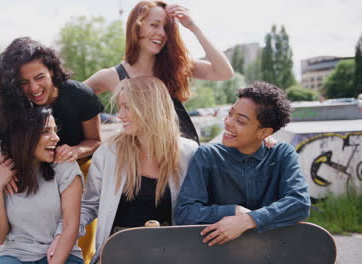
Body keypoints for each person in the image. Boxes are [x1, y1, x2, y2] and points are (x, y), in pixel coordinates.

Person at [54, 76, 198, 264]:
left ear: (150, 107)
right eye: (120, 107)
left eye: (127, 107)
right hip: (116, 253)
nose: (119, 115)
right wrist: (61, 236)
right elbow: (88, 206)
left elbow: (198, 210)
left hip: (168, 254)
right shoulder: (108, 153)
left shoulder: (189, 153)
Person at [0, 37, 103, 262]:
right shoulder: (14, 102)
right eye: (24, 82)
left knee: (79, 235)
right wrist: (3, 164)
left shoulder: (79, 95)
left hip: (77, 165)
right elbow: (7, 140)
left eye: (39, 77)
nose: (33, 88)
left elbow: (95, 140)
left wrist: (74, 151)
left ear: (52, 71)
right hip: (34, 169)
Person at [175, 81, 311, 246]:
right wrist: (234, 211)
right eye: (230, 113)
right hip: (218, 254)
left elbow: (300, 203)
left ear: (264, 132)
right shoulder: (207, 155)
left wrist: (248, 220)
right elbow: (185, 212)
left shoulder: (282, 154)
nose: (228, 122)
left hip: (273, 252)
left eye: (240, 121)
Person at [84, 1, 234, 144]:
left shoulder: (177, 65)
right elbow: (72, 97)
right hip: (140, 163)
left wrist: (193, 27)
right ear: (136, 27)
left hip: (183, 158)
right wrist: (88, 142)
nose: (162, 33)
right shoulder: (111, 76)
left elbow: (225, 73)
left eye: (166, 28)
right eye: (154, 25)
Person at [0, 106, 83, 264]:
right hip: (15, 254)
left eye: (55, 130)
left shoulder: (65, 167)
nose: (56, 138)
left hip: (60, 254)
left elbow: (71, 225)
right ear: (23, 136)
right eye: (46, 131)